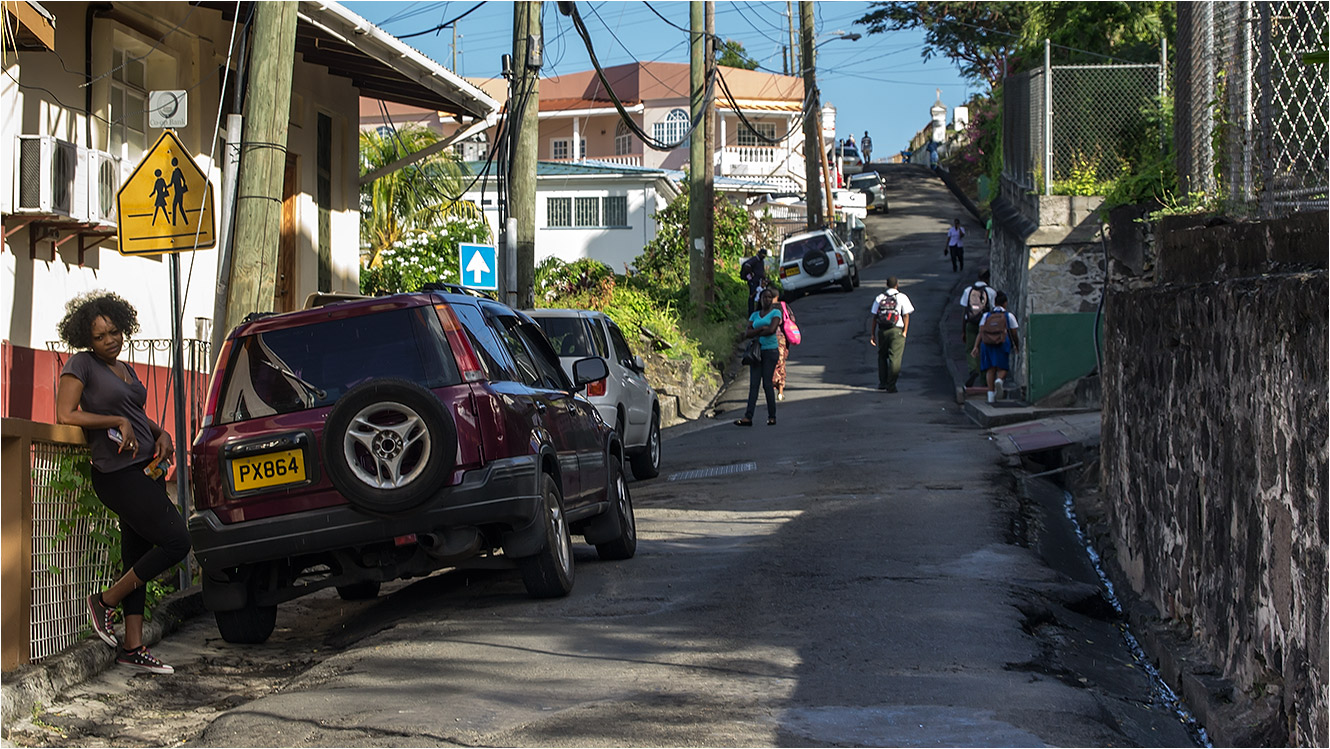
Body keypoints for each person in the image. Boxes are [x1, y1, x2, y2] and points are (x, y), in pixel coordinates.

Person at [55, 291, 191, 675]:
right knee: (177, 540)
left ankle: (133, 646)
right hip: (116, 475)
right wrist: (114, 422)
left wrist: (160, 431)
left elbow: (134, 413)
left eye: (114, 332)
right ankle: (104, 600)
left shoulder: (124, 369)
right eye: (100, 337)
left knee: (137, 557)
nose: (110, 340)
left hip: (145, 466)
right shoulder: (81, 365)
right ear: (87, 339)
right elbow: (66, 413)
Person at [735, 287, 782, 426]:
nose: (766, 299)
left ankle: (772, 416)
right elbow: (747, 333)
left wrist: (757, 331)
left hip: (770, 351)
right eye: (764, 297)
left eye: (769, 297)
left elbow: (772, 330)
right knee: (754, 385)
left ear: (772, 299)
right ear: (760, 300)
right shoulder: (755, 315)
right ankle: (748, 417)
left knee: (767, 384)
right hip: (756, 352)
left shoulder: (776, 312)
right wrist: (762, 329)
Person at [971, 291, 1021, 404]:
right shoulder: (1009, 316)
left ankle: (990, 396)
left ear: (994, 303)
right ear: (1005, 303)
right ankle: (999, 380)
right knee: (1002, 367)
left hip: (987, 344)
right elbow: (1014, 333)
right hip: (1002, 343)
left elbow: (981, 332)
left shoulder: (986, 316)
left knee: (990, 368)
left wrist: (976, 346)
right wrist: (1016, 346)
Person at [869, 277, 914, 393]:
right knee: (895, 358)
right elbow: (906, 315)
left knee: (882, 356)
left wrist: (872, 334)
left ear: (886, 285)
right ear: (897, 285)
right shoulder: (902, 297)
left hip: (882, 330)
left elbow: (874, 317)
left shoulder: (880, 297)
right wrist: (905, 331)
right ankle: (891, 385)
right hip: (896, 330)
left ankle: (882, 383)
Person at [959, 270, 998, 387]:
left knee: (970, 348)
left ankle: (973, 369)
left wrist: (963, 330)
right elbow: (993, 310)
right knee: (984, 351)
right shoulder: (991, 292)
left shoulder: (968, 290)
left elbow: (964, 311)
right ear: (988, 278)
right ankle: (984, 379)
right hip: (985, 325)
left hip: (970, 323)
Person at [773, 299, 796, 401]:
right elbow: (792, 319)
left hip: (768, 339)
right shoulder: (783, 305)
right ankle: (781, 391)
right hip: (782, 338)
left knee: (770, 365)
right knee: (781, 363)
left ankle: (773, 384)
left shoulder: (765, 307)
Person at [740, 249, 768, 314]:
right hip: (753, 281)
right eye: (762, 255)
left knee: (759, 297)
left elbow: (761, 272)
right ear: (759, 254)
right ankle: (751, 313)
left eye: (764, 256)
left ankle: (758, 311)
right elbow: (747, 265)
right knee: (752, 296)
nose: (763, 257)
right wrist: (751, 273)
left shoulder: (761, 261)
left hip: (759, 281)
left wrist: (765, 278)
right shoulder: (755, 259)